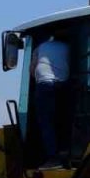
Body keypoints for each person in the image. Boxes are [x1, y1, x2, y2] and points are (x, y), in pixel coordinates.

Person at [33, 31, 69, 164]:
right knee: (63, 119)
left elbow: (32, 69)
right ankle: (65, 151)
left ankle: (53, 157)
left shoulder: (41, 47)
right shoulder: (68, 47)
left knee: (46, 122)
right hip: (63, 85)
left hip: (45, 85)